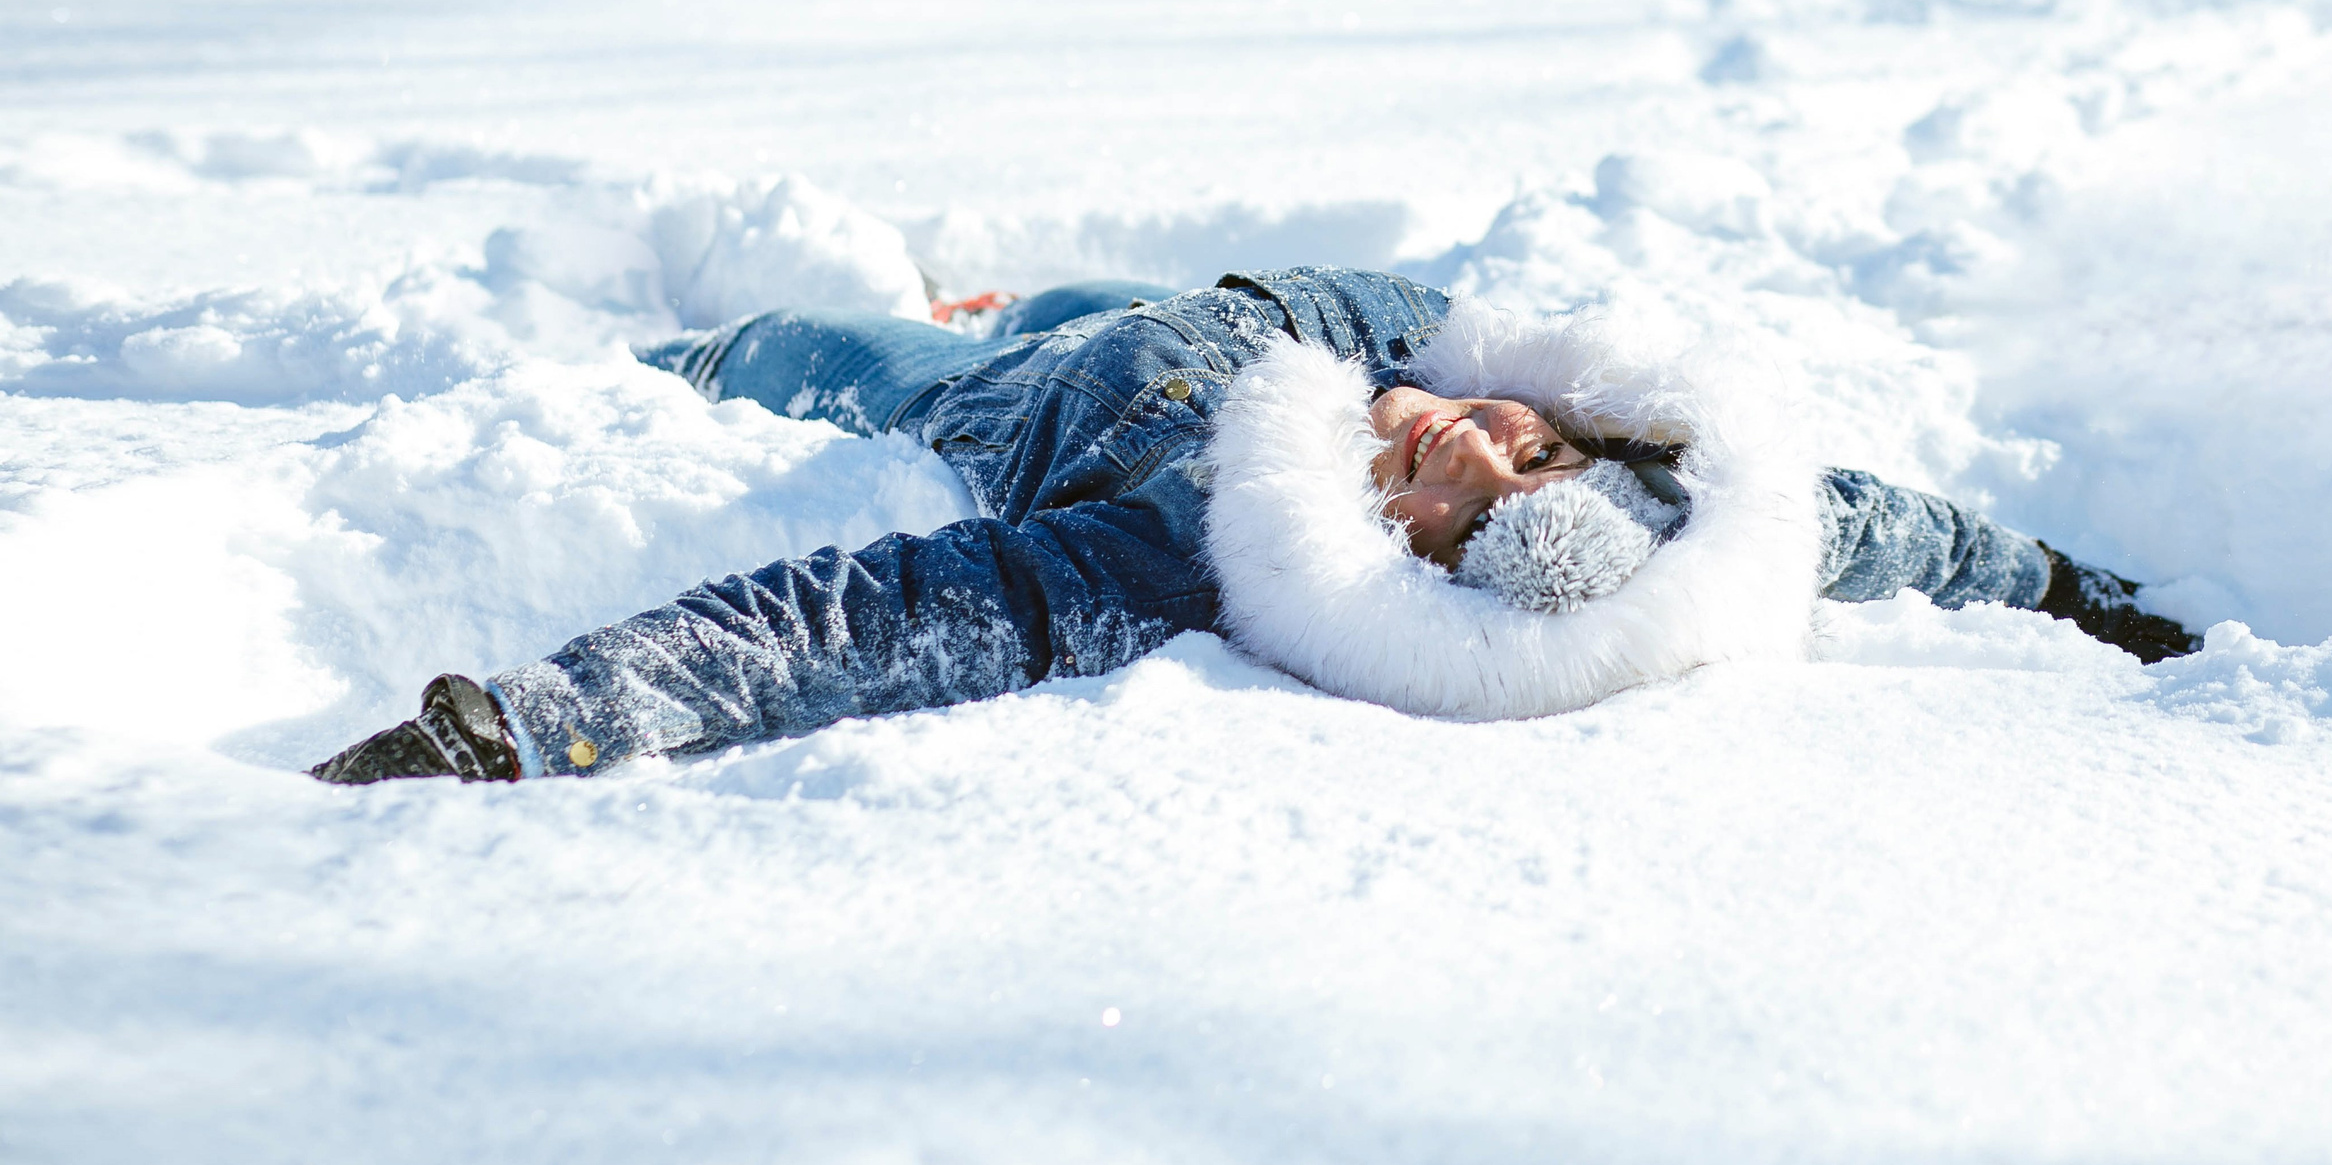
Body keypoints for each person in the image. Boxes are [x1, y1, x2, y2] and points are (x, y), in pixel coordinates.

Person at [311, 268, 2198, 785]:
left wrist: (538, 718)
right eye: (1542, 449)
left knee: (869, 351)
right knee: (1061, 294)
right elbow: (1891, 534)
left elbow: (860, 614)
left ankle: (704, 329)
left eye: (1479, 495)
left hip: (1047, 406)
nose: (1484, 442)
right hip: (1207, 303)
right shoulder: (1566, 407)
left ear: (1423, 558)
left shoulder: (1180, 543)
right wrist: (2088, 599)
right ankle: (1029, 293)